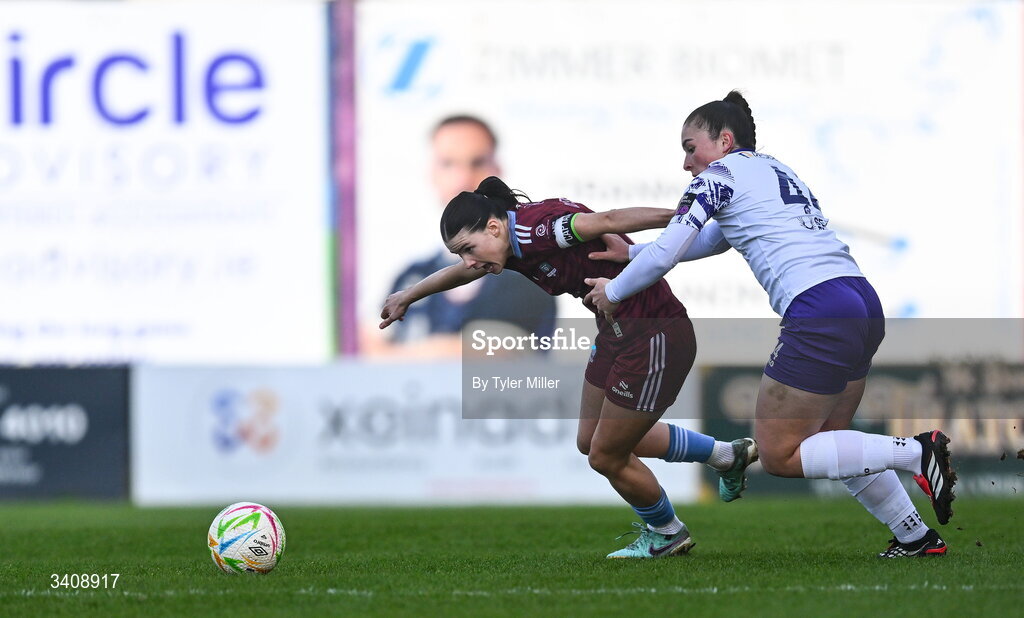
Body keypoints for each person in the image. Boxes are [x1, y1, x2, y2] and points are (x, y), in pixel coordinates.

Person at [584, 90, 956, 558]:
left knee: (779, 452)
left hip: (818, 308)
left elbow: (667, 252)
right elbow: (717, 240)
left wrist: (613, 290)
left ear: (723, 139)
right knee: (832, 443)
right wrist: (631, 251)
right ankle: (915, 537)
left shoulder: (718, 176)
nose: (686, 162)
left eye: (689, 146)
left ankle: (915, 452)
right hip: (859, 298)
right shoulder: (774, 167)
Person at [380, 176, 759, 559]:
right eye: (460, 254)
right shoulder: (504, 245)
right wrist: (408, 295)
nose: (469, 262)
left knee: (605, 456)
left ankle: (667, 532)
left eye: (468, 249)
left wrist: (688, 218)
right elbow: (466, 271)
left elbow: (608, 219)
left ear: (494, 227)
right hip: (614, 332)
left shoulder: (533, 230)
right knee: (591, 439)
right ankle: (725, 455)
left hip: (652, 333)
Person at [366, 115, 556, 358]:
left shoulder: (533, 274)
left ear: (497, 172)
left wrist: (411, 355)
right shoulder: (410, 276)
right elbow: (371, 353)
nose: (463, 178)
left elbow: (507, 358)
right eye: (448, 164)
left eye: (477, 163)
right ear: (432, 174)